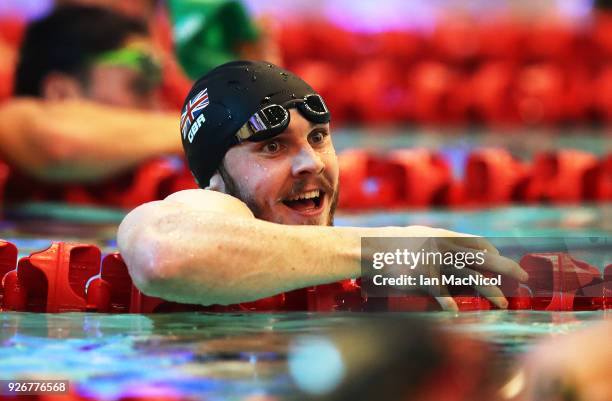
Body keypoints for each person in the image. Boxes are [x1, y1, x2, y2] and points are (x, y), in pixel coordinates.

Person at [118, 60, 528, 310]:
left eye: (318, 138)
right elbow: (166, 258)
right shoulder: (203, 209)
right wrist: (383, 249)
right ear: (216, 182)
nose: (311, 163)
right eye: (272, 146)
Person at [0, 5, 182, 183]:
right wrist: (191, 129)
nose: (157, 109)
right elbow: (58, 144)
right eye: (139, 87)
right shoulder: (13, 124)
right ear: (60, 94)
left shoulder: (153, 175)